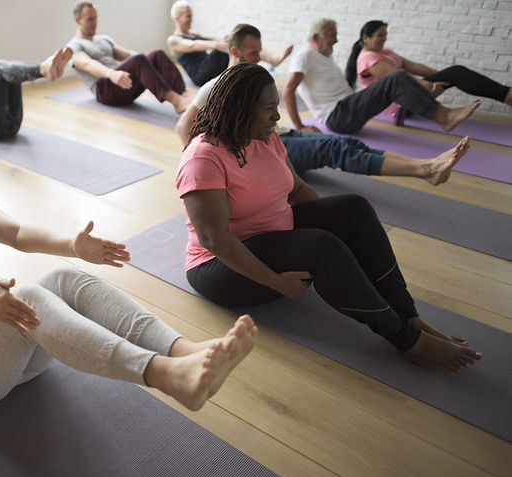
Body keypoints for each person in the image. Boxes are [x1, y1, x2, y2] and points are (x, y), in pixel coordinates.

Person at [0, 119, 257, 410]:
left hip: (19, 347)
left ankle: (185, 351)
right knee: (26, 295)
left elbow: (15, 233)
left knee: (65, 277)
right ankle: (164, 375)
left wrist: (73, 245)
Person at [177, 63, 482, 371]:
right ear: (240, 110)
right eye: (269, 108)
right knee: (320, 246)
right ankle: (408, 341)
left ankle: (409, 315)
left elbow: (296, 189)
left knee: (352, 207)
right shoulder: (203, 157)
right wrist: (277, 282)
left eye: (276, 106)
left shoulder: (266, 138)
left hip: (273, 238)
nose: (277, 116)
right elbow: (214, 240)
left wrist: (341, 229)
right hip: (221, 267)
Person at [175, 24, 470, 186]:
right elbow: (184, 128)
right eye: (253, 53)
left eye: (259, 52)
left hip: (281, 137)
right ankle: (424, 171)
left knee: (346, 143)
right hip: (266, 148)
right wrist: (223, 169)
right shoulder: (218, 84)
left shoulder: (250, 76)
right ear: (235, 50)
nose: (257, 57)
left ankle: (426, 165)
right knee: (336, 149)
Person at [282, 18, 480, 135]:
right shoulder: (304, 55)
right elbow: (288, 89)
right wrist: (299, 126)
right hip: (338, 116)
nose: (336, 39)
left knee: (397, 79)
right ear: (316, 38)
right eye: (332, 35)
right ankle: (443, 116)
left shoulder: (324, 57)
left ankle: (438, 112)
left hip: (348, 108)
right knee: (395, 78)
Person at [345, 20, 512, 121]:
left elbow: (412, 66)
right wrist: (430, 86)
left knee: (456, 72)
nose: (384, 38)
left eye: (385, 34)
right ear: (365, 38)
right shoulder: (367, 59)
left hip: (408, 94)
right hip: (398, 104)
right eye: (380, 35)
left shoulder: (384, 52)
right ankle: (508, 95)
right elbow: (399, 78)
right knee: (456, 72)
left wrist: (444, 75)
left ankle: (507, 95)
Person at [69, 1, 192, 113]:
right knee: (138, 60)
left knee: (156, 54)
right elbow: (87, 64)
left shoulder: (103, 39)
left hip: (123, 82)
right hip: (106, 91)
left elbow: (127, 55)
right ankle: (177, 101)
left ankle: (185, 96)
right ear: (77, 20)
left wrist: (148, 63)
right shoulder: (74, 46)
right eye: (90, 19)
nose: (95, 23)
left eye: (95, 18)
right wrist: (112, 74)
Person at [167, 1, 292, 86]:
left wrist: (228, 41)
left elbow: (214, 39)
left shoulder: (193, 32)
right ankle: (271, 59)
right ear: (177, 18)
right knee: (228, 44)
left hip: (210, 67)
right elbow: (193, 45)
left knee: (231, 38)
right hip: (200, 76)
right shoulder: (174, 40)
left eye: (191, 16)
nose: (191, 19)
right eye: (188, 16)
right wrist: (221, 45)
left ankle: (270, 57)